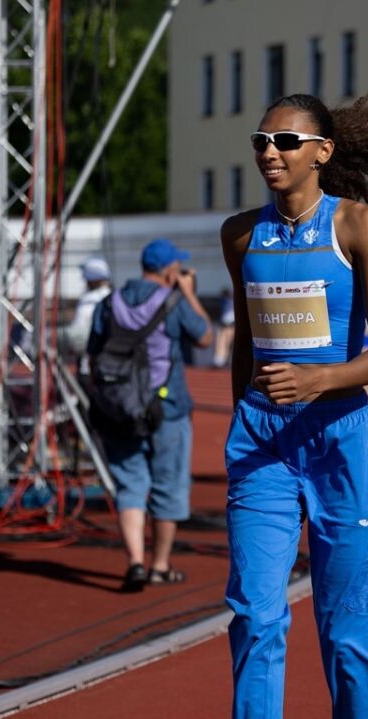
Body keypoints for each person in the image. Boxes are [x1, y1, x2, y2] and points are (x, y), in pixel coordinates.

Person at [219, 93, 368, 718]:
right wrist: (244, 412)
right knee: (254, 616)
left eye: (285, 142)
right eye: (261, 141)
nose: (269, 152)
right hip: (263, 444)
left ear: (322, 152)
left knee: (347, 631)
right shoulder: (240, 234)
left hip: (340, 440)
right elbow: (246, 341)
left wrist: (317, 380)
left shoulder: (358, 225)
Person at [88, 239, 213, 591]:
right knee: (168, 486)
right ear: (171, 271)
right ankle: (159, 565)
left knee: (130, 484)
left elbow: (93, 353)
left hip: (119, 409)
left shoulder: (109, 302)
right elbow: (205, 337)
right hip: (167, 408)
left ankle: (135, 561)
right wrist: (188, 293)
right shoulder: (173, 301)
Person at [65, 256, 112, 376]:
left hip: (89, 368)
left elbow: (77, 339)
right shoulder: (115, 299)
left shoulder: (87, 302)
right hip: (113, 366)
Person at [212, 288, 237, 368]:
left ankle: (225, 360)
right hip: (225, 324)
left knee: (229, 343)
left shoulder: (233, 301)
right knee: (222, 341)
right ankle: (220, 360)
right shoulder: (224, 301)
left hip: (231, 324)